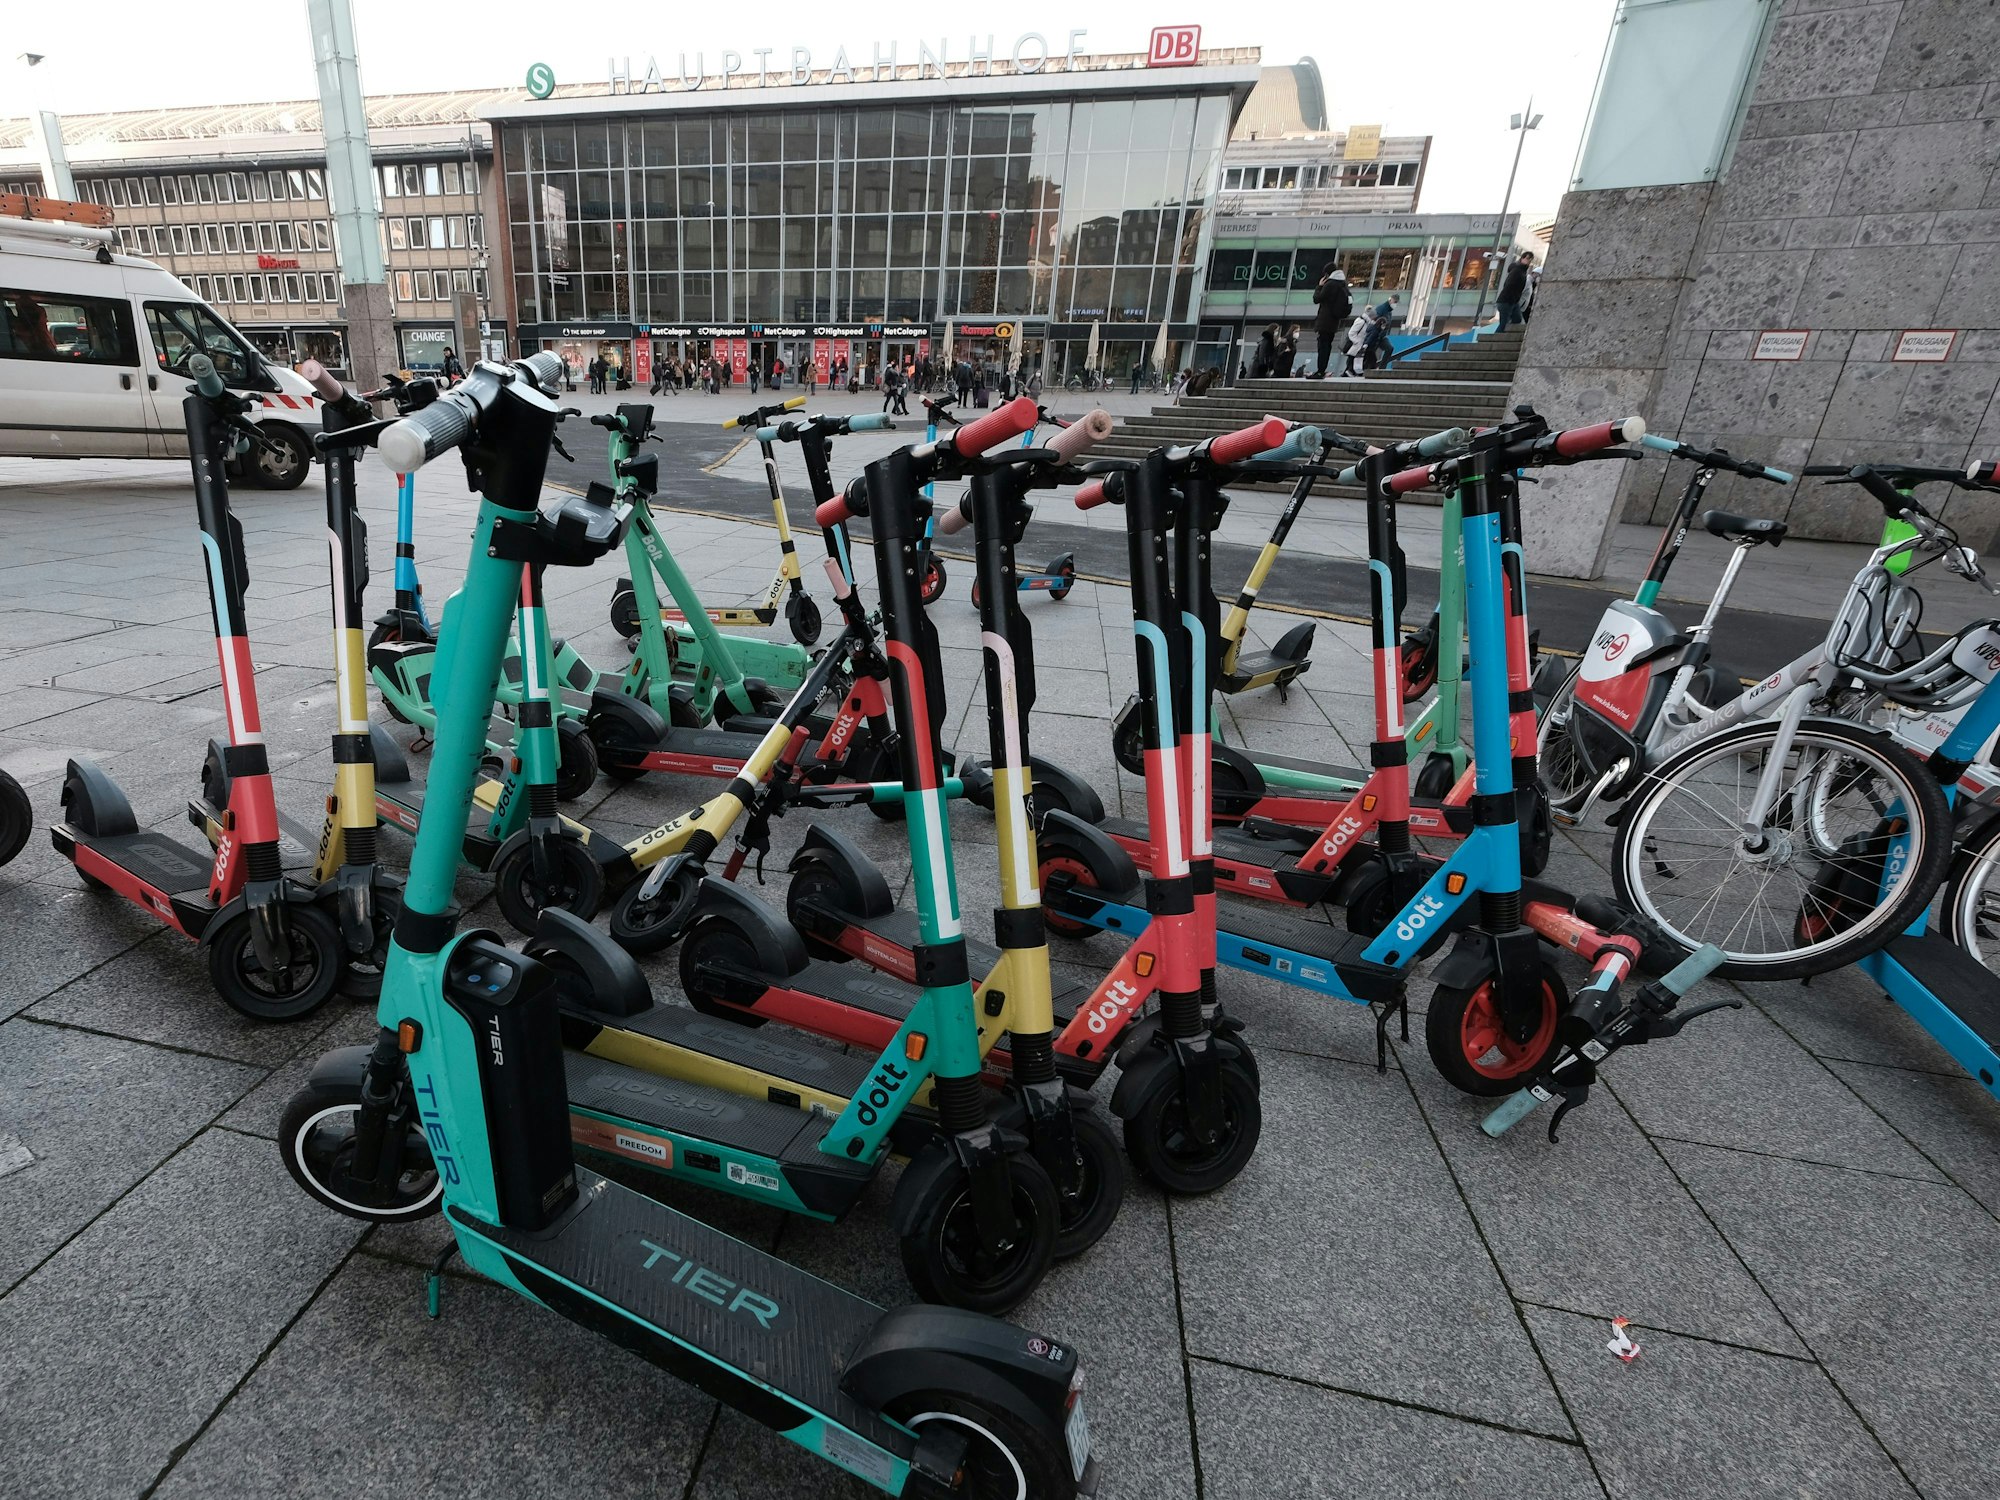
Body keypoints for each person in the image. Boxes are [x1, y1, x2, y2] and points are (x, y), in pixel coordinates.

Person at [1311, 268, 1352, 379]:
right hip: (1334, 322)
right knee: (1327, 346)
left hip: (1325, 321)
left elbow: (1316, 299)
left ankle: (1320, 371)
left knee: (1322, 346)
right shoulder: (1343, 284)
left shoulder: (1330, 284)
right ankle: (1322, 370)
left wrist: (1319, 286)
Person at [1494, 251, 1535, 334]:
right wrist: (1511, 297)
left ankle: (1506, 335)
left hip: (1512, 301)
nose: (1528, 261)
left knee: (1517, 319)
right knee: (1503, 324)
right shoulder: (1517, 270)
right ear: (1522, 258)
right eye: (1527, 258)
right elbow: (1508, 284)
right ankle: (1494, 338)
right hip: (1506, 300)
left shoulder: (1522, 271)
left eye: (1530, 259)